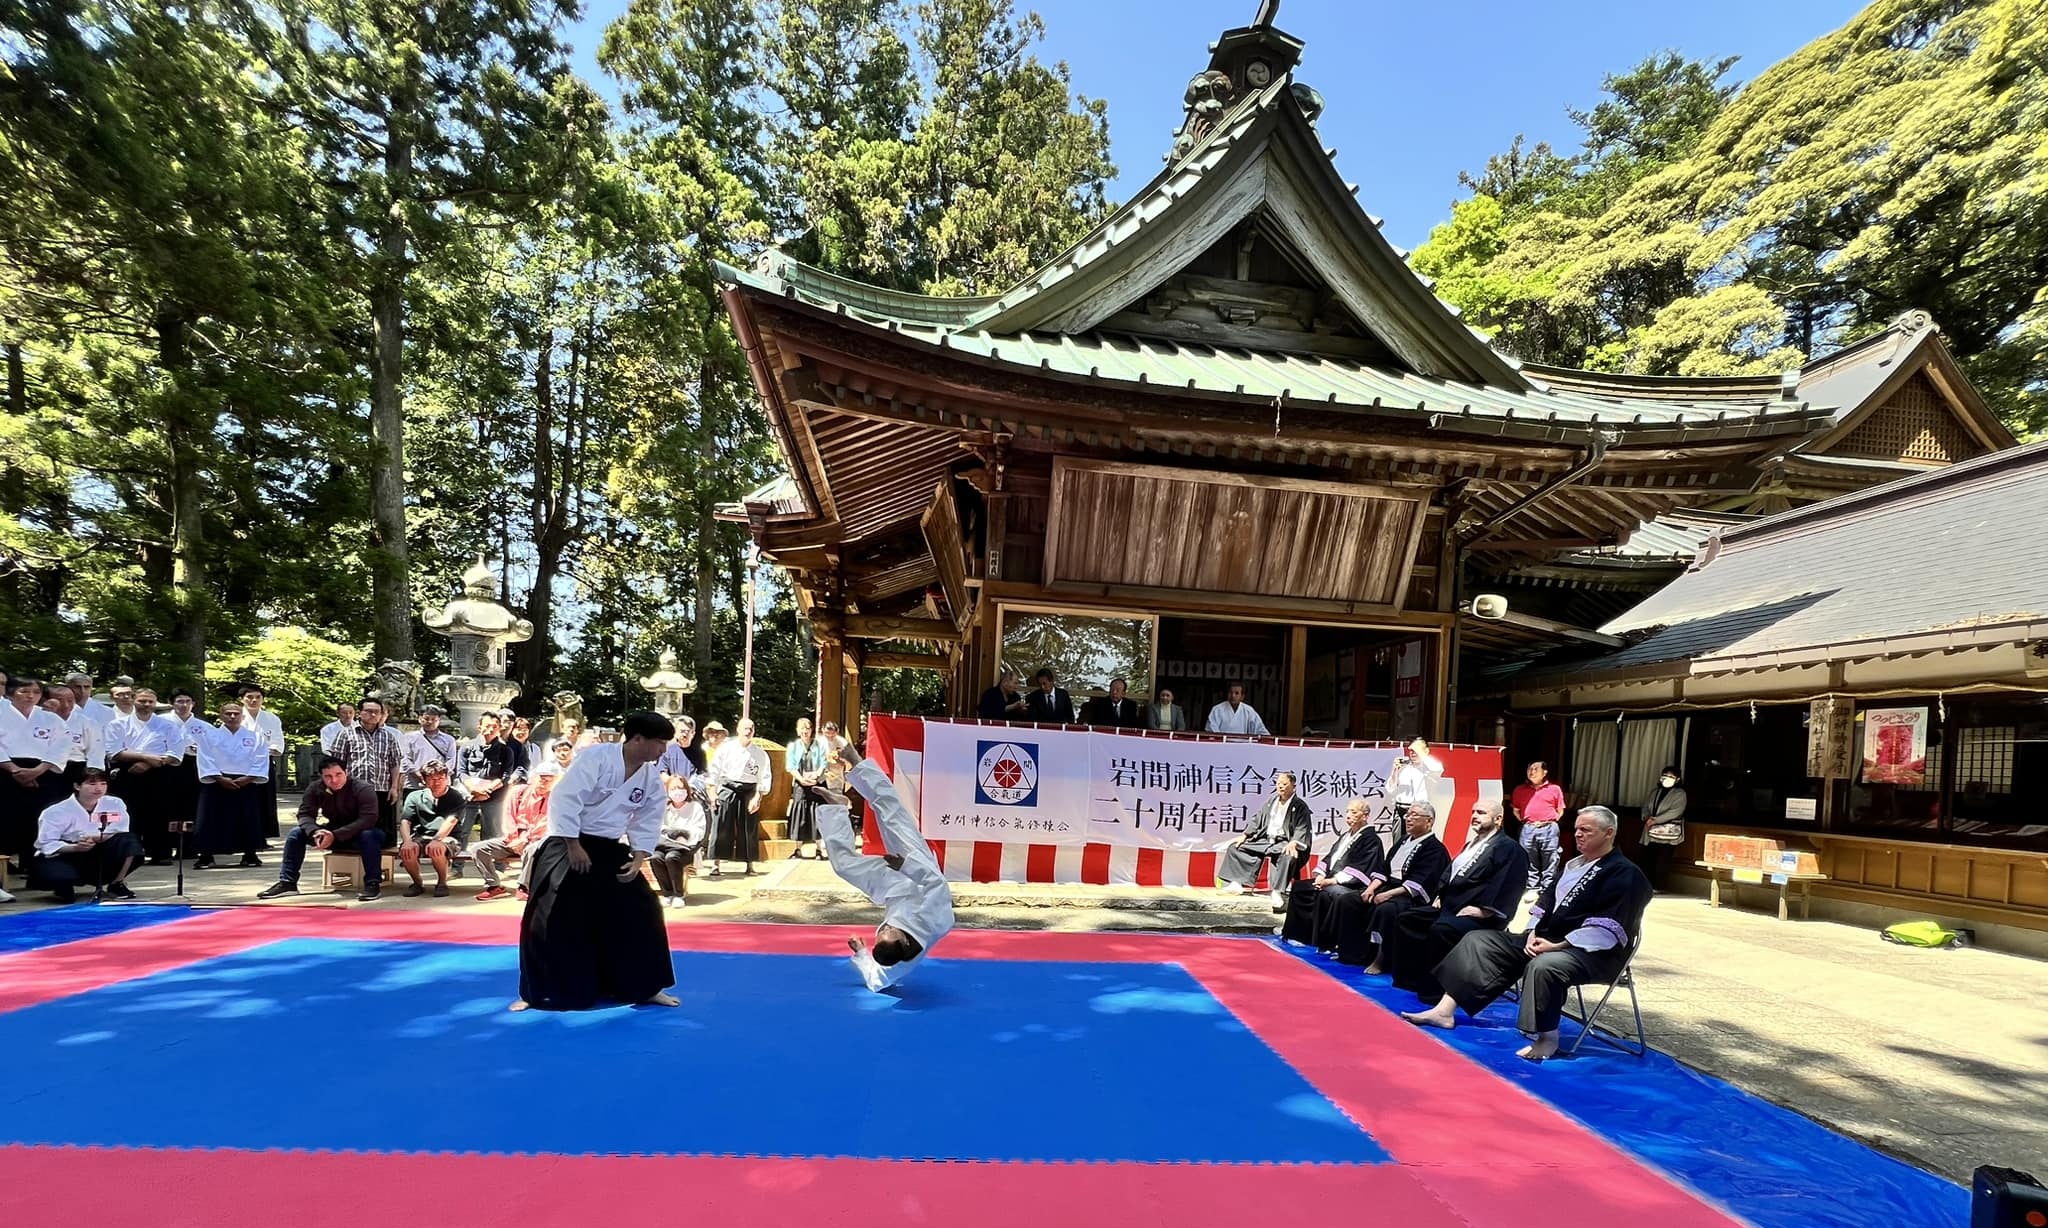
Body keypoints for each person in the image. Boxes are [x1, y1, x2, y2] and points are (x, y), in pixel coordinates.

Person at [1404, 806, 1654, 1062]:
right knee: (1479, 940)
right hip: (1545, 939)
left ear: (1609, 833)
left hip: (1593, 954)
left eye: (1586, 830)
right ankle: (1445, 1010)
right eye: (1577, 829)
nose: (1578, 834)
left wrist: (1558, 946)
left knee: (1545, 965)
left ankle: (1548, 1038)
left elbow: (1608, 930)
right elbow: (1543, 907)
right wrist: (1532, 932)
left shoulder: (1626, 873)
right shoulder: (1573, 865)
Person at [511, 709, 679, 1013]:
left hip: (609, 847)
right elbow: (565, 797)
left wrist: (639, 854)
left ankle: (644, 987)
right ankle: (539, 991)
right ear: (638, 739)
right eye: (659, 742)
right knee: (550, 915)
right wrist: (573, 845)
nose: (663, 750)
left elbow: (648, 815)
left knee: (642, 909)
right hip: (566, 842)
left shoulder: (650, 775)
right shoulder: (597, 758)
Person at [817, 741, 954, 991]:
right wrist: (907, 865)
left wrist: (861, 952)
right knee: (890, 812)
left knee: (843, 866)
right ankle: (857, 762)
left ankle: (837, 807)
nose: (887, 926)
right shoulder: (934, 923)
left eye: (883, 930)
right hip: (918, 870)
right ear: (902, 939)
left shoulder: (896, 958)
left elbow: (876, 981)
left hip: (892, 886)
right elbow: (937, 883)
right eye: (890, 929)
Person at [1384, 799, 1532, 1002]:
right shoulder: (1472, 844)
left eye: (1481, 812)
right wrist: (1440, 895)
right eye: (1473, 811)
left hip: (1481, 915)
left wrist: (1484, 911)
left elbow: (1508, 884)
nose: (1474, 816)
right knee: (1408, 918)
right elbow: (1451, 874)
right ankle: (1413, 980)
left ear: (1498, 819)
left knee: (1442, 929)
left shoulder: (1509, 849)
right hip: (1452, 908)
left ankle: (1436, 993)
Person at [258, 755, 387, 901]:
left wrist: (335, 835)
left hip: (364, 832)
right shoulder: (315, 788)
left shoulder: (363, 788)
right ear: (322, 777)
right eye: (328, 776)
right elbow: (305, 814)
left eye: (338, 774)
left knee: (368, 835)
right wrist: (315, 832)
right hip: (331, 831)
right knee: (296, 833)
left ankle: (372, 883)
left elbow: (368, 819)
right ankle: (288, 882)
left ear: (347, 772)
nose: (334, 780)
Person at [1340, 801, 1450, 970]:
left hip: (1409, 895)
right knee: (1350, 900)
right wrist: (1371, 888)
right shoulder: (1403, 841)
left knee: (1386, 910)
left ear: (1429, 821)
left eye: (1415, 815)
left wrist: (1388, 894)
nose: (1409, 819)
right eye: (1408, 815)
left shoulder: (1435, 849)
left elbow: (1421, 881)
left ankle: (1382, 959)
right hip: (1388, 885)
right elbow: (1384, 869)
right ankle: (1354, 953)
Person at [1278, 798, 1388, 949]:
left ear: (1365, 816)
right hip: (1330, 879)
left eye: (1354, 812)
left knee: (1328, 893)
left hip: (1350, 885)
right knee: (1301, 887)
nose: (1348, 815)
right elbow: (1330, 857)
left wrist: (1331, 881)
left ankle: (1324, 941)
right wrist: (1320, 875)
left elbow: (1361, 869)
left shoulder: (1372, 840)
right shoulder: (1345, 836)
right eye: (1347, 812)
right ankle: (1296, 934)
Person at [32, 769, 143, 902]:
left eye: (103, 783)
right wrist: (76, 847)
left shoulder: (114, 803)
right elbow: (46, 843)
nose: (98, 788)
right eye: (92, 784)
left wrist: (94, 838)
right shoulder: (56, 811)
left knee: (129, 841)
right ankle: (63, 886)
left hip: (100, 846)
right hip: (66, 852)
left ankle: (117, 883)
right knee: (62, 886)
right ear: (77, 786)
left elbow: (120, 830)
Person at [105, 688, 186, 865]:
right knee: (129, 812)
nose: (147, 705)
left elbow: (176, 751)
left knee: (159, 812)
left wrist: (149, 762)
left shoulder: (167, 725)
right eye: (143, 701)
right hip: (128, 771)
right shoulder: (118, 724)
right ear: (134, 700)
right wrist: (143, 757)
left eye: (151, 701)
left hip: (159, 770)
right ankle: (131, 854)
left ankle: (160, 852)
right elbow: (114, 751)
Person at [470, 747, 557, 903]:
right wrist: (513, 838)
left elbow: (547, 822)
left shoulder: (556, 797)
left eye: (549, 779)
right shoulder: (519, 792)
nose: (544, 781)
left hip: (535, 839)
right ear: (533, 777)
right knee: (479, 849)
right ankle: (493, 885)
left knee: (532, 849)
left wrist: (526, 838)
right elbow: (508, 816)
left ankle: (523, 886)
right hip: (513, 838)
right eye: (541, 777)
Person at [1216, 771, 1312, 908]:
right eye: (1278, 783)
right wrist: (1246, 835)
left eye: (1285, 784)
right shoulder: (1271, 801)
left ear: (1293, 786)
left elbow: (1302, 828)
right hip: (1265, 840)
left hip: (1284, 842)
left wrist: (1294, 842)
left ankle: (1278, 891)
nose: (1281, 787)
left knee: (1288, 855)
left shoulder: (1300, 806)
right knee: (1236, 847)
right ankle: (1237, 883)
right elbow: (1257, 819)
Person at [192, 699, 268, 869]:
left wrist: (248, 778)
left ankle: (250, 854)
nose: (232, 716)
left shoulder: (255, 737)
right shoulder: (209, 736)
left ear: (242, 716)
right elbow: (204, 758)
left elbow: (261, 758)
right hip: (216, 781)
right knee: (210, 819)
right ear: (221, 716)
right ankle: (206, 856)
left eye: (236, 713)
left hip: (245, 781)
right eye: (228, 713)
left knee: (247, 818)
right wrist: (219, 778)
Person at [2, 676, 69, 869]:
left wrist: (38, 770)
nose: (31, 696)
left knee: (40, 817)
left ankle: (34, 865)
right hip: (6, 769)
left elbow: (61, 745)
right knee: (6, 818)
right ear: (10, 693)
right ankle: (4, 866)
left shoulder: (50, 717)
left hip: (43, 771)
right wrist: (14, 770)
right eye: (24, 691)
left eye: (36, 692)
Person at [706, 716, 770, 877]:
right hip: (728, 787)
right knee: (721, 824)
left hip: (749, 790)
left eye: (751, 728)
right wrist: (712, 792)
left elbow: (764, 777)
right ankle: (716, 864)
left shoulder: (760, 754)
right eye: (745, 728)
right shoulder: (726, 748)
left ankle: (749, 864)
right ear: (738, 730)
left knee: (749, 828)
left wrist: (758, 797)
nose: (748, 731)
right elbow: (714, 771)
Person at [337, 697, 407, 843]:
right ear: (359, 713)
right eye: (369, 711)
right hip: (354, 790)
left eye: (377, 712)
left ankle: (383, 862)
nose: (373, 715)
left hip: (382, 790)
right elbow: (337, 763)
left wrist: (394, 787)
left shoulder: (388, 736)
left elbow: (395, 764)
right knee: (354, 829)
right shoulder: (347, 734)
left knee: (383, 833)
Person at [398, 760, 470, 897]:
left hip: (449, 836)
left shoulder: (456, 797)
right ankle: (417, 883)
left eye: (440, 778)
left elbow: (451, 821)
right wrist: (407, 840)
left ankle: (442, 882)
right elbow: (405, 821)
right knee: (407, 849)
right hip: (421, 835)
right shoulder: (414, 796)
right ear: (424, 780)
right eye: (431, 779)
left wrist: (437, 839)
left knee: (436, 848)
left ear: (447, 778)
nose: (436, 783)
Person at [1512, 760, 1567, 896]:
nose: (1532, 772)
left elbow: (1560, 810)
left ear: (1544, 772)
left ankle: (1547, 888)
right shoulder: (1520, 789)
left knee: (1551, 857)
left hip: (1549, 827)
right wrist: (1529, 821)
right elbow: (1516, 810)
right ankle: (1532, 887)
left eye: (1536, 769)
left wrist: (1548, 821)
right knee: (1528, 857)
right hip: (1528, 827)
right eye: (1529, 769)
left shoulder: (1554, 789)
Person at [239, 684, 285, 843]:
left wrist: (263, 751)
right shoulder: (236, 716)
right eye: (249, 697)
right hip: (240, 765)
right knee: (244, 800)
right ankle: (243, 836)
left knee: (265, 800)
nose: (254, 700)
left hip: (264, 762)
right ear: (242, 699)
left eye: (258, 697)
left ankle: (263, 836)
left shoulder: (271, 718)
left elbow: (277, 742)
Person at [458, 713, 515, 842]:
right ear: (479, 727)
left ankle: (493, 863)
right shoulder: (467, 747)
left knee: (493, 834)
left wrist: (488, 790)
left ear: (500, 728)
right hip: (469, 795)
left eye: (495, 726)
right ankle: (457, 862)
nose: (490, 729)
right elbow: (461, 771)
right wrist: (473, 789)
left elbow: (505, 776)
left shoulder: (506, 751)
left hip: (494, 796)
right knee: (462, 831)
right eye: (487, 725)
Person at [651, 776, 706, 907]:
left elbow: (699, 830)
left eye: (681, 788)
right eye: (673, 788)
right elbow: (658, 827)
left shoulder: (695, 807)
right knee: (656, 857)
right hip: (665, 845)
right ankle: (667, 893)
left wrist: (683, 834)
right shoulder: (664, 808)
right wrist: (669, 832)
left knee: (672, 857)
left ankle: (678, 894)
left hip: (686, 849)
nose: (677, 791)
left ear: (687, 790)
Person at [45, 682, 104, 787]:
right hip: (45, 767)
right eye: (59, 700)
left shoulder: (87, 722)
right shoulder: (40, 719)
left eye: (70, 700)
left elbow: (95, 750)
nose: (66, 705)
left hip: (76, 766)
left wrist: (93, 772)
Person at [784, 717, 827, 859]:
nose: (805, 731)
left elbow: (823, 764)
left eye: (807, 728)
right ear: (797, 731)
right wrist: (801, 779)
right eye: (802, 728)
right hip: (800, 784)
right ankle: (797, 849)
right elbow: (791, 766)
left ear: (811, 730)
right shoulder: (793, 746)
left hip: (817, 784)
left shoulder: (819, 745)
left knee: (817, 816)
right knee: (799, 816)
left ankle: (819, 849)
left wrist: (816, 776)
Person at [1640, 766, 1687, 890]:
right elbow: (1646, 806)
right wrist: (1646, 817)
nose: (1667, 778)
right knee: (1649, 858)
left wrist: (1656, 820)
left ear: (1677, 779)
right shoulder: (1655, 792)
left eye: (1671, 776)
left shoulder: (1680, 793)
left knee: (1663, 859)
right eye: (1665, 775)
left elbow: (1676, 811)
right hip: (1650, 830)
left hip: (1668, 832)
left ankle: (1659, 886)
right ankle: (1647, 885)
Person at [1387, 737, 1444, 834]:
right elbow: (1390, 790)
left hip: (1418, 811)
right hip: (1400, 810)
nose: (1413, 752)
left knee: (1416, 838)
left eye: (1416, 750)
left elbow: (1437, 769)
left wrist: (1421, 753)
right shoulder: (1404, 767)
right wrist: (1394, 770)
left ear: (1425, 751)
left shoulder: (1428, 768)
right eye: (1411, 750)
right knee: (1398, 842)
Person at [402, 705, 458, 791]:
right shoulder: (409, 738)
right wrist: (417, 773)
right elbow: (405, 759)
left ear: (439, 720)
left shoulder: (449, 740)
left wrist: (437, 775)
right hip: (415, 785)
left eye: (434, 719)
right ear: (420, 719)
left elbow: (451, 761)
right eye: (427, 719)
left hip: (440, 786)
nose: (430, 722)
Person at [1204, 683, 1269, 736]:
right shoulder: (1217, 709)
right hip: (1222, 745)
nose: (1233, 696)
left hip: (1242, 747)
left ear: (1242, 696)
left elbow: (1260, 730)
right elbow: (1211, 730)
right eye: (1230, 692)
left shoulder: (1249, 711)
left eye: (1236, 693)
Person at [1079, 678, 1143, 728]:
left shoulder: (1131, 705)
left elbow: (1134, 725)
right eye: (1112, 690)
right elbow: (1097, 724)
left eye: (1117, 690)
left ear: (1123, 693)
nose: (1114, 692)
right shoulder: (1100, 704)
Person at [657, 715, 704, 779]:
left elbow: (702, 774)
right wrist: (674, 782)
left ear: (693, 734)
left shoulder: (700, 753)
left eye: (687, 731)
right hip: (672, 787)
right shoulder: (667, 751)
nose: (684, 734)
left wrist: (690, 786)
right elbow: (661, 772)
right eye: (682, 731)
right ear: (675, 732)